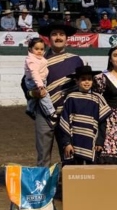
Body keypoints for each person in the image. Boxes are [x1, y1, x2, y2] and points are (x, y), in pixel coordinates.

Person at [22, 22, 84, 167]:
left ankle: (70, 186)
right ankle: (43, 187)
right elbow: (25, 83)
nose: (58, 37)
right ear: (48, 38)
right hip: (44, 113)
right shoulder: (38, 60)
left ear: (66, 38)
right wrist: (33, 93)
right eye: (54, 34)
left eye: (61, 34)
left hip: (68, 113)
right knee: (43, 155)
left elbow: (82, 86)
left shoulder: (76, 60)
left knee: (69, 152)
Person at [56, 65, 111, 165]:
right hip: (74, 141)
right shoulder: (71, 98)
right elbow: (64, 122)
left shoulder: (98, 98)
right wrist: (67, 143)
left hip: (92, 142)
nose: (87, 82)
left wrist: (100, 141)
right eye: (83, 79)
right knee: (75, 170)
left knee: (92, 172)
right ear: (77, 81)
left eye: (89, 79)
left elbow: (102, 123)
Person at [23, 37, 59, 123]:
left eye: (42, 49)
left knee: (35, 97)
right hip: (34, 81)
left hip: (38, 80)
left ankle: (30, 109)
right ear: (30, 49)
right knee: (44, 95)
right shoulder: (31, 60)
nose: (39, 51)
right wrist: (40, 85)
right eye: (36, 49)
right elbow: (35, 73)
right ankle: (51, 112)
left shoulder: (39, 58)